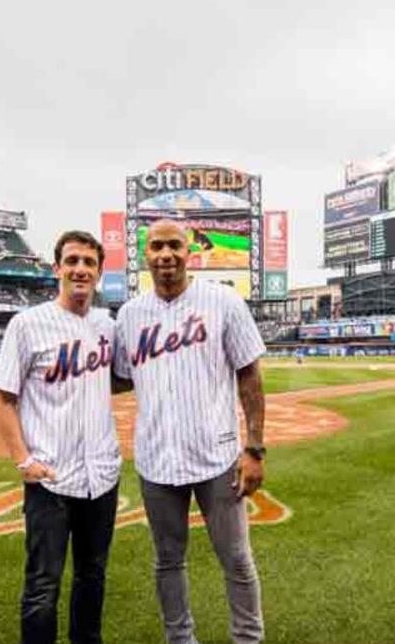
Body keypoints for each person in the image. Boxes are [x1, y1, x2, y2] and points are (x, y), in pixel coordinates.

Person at [114, 218, 267, 644]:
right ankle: (179, 639)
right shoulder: (129, 315)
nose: (166, 255)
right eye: (157, 246)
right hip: (157, 459)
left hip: (218, 457)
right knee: (167, 561)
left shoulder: (223, 302)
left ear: (189, 252)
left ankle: (248, 639)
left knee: (236, 559)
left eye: (174, 247)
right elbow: (123, 377)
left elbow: (249, 373)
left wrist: (254, 448)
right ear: (145, 254)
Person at [0, 230, 121, 644]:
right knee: (42, 587)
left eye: (89, 262)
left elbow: (118, 379)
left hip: (100, 476)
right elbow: (4, 399)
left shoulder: (107, 324)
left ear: (99, 273)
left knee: (92, 576)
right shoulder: (27, 324)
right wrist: (24, 461)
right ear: (57, 268)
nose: (80, 269)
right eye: (72, 261)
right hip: (50, 477)